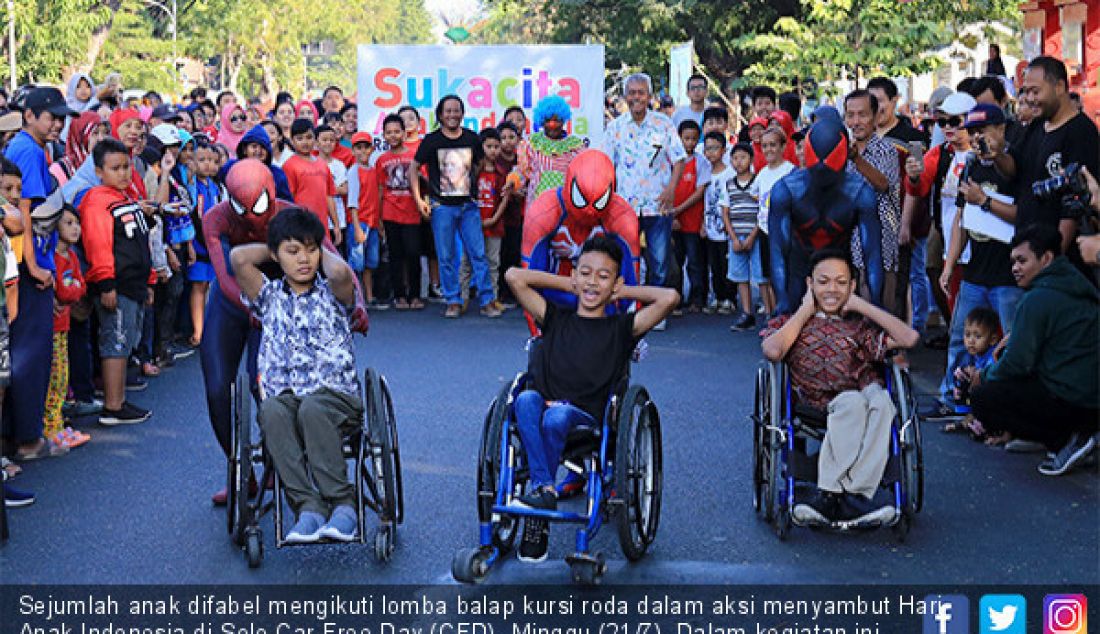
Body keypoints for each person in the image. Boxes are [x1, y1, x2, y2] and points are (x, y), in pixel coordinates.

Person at [505, 235, 678, 562]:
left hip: (586, 420)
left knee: (556, 416)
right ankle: (544, 491)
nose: (592, 282)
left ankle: (541, 500)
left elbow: (669, 298)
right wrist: (571, 282)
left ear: (615, 282)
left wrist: (623, 292)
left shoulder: (621, 328)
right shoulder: (555, 318)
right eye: (586, 273)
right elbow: (514, 276)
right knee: (525, 400)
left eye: (603, 276)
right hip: (544, 407)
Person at [231, 207, 364, 543]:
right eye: (294, 252)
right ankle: (308, 507)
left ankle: (343, 504)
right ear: (277, 256)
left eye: (310, 250)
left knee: (312, 408)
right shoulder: (269, 297)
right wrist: (276, 246)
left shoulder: (332, 293)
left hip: (335, 396)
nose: (304, 259)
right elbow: (238, 257)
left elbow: (339, 274)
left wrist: (322, 245)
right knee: (271, 411)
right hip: (286, 397)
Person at [762, 249, 919, 526]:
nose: (832, 289)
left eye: (841, 282)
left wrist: (862, 306)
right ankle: (837, 493)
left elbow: (909, 337)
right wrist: (805, 310)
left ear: (852, 286)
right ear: (810, 284)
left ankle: (852, 492)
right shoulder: (793, 323)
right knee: (852, 403)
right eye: (823, 282)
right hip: (816, 400)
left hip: (863, 390)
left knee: (883, 403)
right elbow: (773, 350)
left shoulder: (859, 327)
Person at [968, 224, 1099, 476]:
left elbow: (1018, 363)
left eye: (1021, 261)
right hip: (1088, 396)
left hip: (1074, 400)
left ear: (1047, 258)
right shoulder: (1076, 282)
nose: (1015, 268)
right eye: (1013, 261)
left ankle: (1065, 440)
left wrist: (982, 375)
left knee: (984, 397)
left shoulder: (1038, 298)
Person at [3, 87, 74, 461]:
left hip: (31, 264)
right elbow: (23, 211)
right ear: (29, 115)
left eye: (61, 117)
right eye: (51, 116)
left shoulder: (33, 147)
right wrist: (32, 265)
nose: (57, 123)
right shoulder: (27, 150)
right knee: (29, 356)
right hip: (28, 269)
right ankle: (27, 438)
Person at [769, 116, 883, 315]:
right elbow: (778, 252)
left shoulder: (859, 192)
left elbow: (872, 255)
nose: (822, 172)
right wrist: (782, 300)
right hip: (808, 272)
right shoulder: (786, 190)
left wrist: (876, 304)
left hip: (837, 273)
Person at [989, 56, 1099, 253]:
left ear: (1059, 87)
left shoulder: (1081, 132)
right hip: (1027, 249)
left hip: (1057, 259)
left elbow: (1074, 205)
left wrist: (1053, 258)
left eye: (1035, 91)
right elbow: (1014, 168)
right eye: (1026, 91)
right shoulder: (1036, 126)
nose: (1030, 99)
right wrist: (996, 154)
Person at [79, 138, 153, 426]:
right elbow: (98, 243)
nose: (123, 173)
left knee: (125, 341)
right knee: (116, 340)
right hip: (116, 285)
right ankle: (112, 405)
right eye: (115, 168)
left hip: (133, 284)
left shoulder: (126, 199)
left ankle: (119, 399)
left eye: (126, 167)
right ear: (99, 171)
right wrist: (105, 283)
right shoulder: (97, 200)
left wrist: (148, 281)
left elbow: (140, 243)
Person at [604, 73, 686, 329]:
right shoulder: (615, 128)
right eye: (632, 92)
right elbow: (606, 166)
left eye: (641, 92)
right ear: (625, 96)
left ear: (649, 96)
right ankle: (628, 305)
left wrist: (671, 189)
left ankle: (655, 312)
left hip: (658, 205)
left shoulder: (664, 125)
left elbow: (679, 159)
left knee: (659, 261)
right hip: (624, 206)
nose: (636, 97)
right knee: (626, 258)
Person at [902, 91, 977, 356]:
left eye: (954, 122)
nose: (947, 128)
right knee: (952, 293)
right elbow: (919, 186)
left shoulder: (982, 155)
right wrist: (912, 177)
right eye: (942, 122)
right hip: (950, 238)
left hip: (981, 244)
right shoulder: (939, 154)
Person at [411, 95, 499, 319]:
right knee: (446, 255)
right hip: (442, 208)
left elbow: (478, 164)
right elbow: (414, 168)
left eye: (456, 110)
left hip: (468, 207)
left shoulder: (471, 138)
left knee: (478, 254)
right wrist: (420, 199)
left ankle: (487, 300)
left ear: (462, 113)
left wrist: (468, 185)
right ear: (440, 115)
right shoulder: (432, 140)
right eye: (448, 111)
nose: (452, 115)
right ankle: (453, 300)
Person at [844, 89, 903, 316]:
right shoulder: (842, 151)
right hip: (849, 233)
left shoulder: (886, 149)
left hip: (882, 236)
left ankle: (887, 346)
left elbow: (883, 183)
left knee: (880, 300)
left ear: (876, 117)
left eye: (862, 115)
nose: (856, 121)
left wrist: (856, 160)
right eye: (851, 115)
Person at [44, 206, 89, 450]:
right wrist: (69, 292)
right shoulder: (54, 258)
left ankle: (58, 423)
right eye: (68, 223)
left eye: (77, 223)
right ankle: (50, 427)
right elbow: (64, 290)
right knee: (55, 378)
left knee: (62, 377)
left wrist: (69, 293)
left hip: (64, 325)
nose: (75, 228)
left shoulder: (71, 256)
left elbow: (80, 287)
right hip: (52, 327)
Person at [460, 127, 510, 312]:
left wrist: (495, 218)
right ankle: (462, 298)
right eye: (489, 146)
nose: (493, 150)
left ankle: (491, 298)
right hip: (472, 224)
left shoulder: (502, 172)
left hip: (494, 225)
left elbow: (505, 198)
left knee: (492, 263)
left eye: (497, 146)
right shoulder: (472, 171)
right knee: (467, 262)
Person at [377, 114, 423, 310]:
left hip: (412, 213)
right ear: (384, 135)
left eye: (397, 131)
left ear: (405, 133)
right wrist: (379, 218)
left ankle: (415, 295)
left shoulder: (415, 156)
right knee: (395, 256)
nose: (393, 135)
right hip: (390, 213)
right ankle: (399, 295)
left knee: (413, 254)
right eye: (389, 132)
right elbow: (379, 190)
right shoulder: (381, 160)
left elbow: (423, 184)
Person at [750, 126, 795, 315]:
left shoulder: (790, 171)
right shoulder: (762, 173)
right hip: (765, 231)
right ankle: (774, 314)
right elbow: (755, 195)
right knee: (768, 276)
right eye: (765, 145)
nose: (768, 149)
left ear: (783, 147)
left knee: (786, 275)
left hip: (785, 231)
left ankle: (787, 314)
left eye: (773, 145)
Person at [516, 95, 585, 208]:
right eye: (548, 120)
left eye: (556, 120)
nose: (552, 125)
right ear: (542, 121)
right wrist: (514, 182)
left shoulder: (575, 147)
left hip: (566, 206)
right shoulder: (531, 144)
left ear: (563, 121)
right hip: (537, 206)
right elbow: (522, 173)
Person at [943, 307, 1000, 433]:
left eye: (978, 336)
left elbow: (990, 375)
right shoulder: (974, 354)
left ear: (993, 339)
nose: (971, 341)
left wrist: (975, 373)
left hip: (994, 395)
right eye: (967, 335)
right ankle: (965, 415)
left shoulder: (994, 355)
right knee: (960, 375)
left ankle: (980, 420)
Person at [188, 141, 223, 347]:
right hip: (199, 244)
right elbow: (196, 216)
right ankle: (198, 331)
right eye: (202, 160)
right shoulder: (193, 186)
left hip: (214, 243)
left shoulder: (216, 187)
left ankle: (212, 328)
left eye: (213, 161)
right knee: (198, 285)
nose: (208, 165)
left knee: (212, 285)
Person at [723, 142, 761, 331]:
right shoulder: (729, 184)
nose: (739, 162)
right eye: (735, 158)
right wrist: (734, 238)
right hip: (736, 236)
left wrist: (753, 235)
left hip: (755, 235)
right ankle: (747, 313)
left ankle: (770, 313)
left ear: (751, 160)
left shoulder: (758, 182)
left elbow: (762, 211)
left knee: (761, 275)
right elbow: (725, 213)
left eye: (743, 157)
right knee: (740, 276)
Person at [670, 119, 707, 312]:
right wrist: (672, 215)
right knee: (675, 262)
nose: (690, 143)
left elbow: (699, 192)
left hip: (692, 221)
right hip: (675, 222)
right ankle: (675, 299)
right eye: (686, 138)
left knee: (694, 262)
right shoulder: (671, 162)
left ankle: (697, 299)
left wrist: (679, 209)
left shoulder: (701, 162)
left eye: (694, 139)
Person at [282, 120, 339, 242]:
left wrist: (336, 225)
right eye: (299, 138)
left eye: (309, 137)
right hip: (300, 226)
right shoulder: (289, 166)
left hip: (322, 226)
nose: (305, 142)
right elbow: (288, 200)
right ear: (292, 141)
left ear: (315, 139)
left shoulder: (322, 164)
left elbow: (329, 196)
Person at [345, 131, 382, 308]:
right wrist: (357, 227)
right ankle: (355, 297)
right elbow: (352, 201)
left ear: (371, 150)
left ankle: (369, 296)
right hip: (360, 222)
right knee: (356, 263)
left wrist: (379, 223)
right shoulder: (354, 171)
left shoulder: (373, 171)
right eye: (358, 148)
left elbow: (376, 197)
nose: (362, 152)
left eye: (365, 148)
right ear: (353, 151)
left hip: (373, 222)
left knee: (370, 262)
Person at [700, 131, 735, 315]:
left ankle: (729, 298)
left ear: (723, 150)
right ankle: (718, 296)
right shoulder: (705, 173)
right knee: (714, 264)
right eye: (707, 148)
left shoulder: (730, 173)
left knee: (726, 264)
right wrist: (703, 224)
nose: (710, 153)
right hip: (710, 225)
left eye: (714, 148)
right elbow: (703, 200)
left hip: (725, 227)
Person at [495, 121, 525, 307]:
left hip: (518, 216)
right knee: (499, 255)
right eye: (503, 138)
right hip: (498, 216)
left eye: (511, 137)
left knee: (514, 253)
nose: (507, 142)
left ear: (519, 139)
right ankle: (500, 292)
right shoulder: (493, 161)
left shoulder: (522, 161)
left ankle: (515, 292)